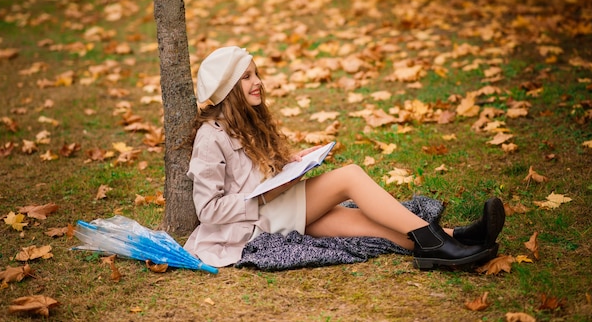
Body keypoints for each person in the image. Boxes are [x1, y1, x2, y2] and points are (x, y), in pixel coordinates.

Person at [183, 46, 505, 270]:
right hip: (255, 222)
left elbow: (254, 174)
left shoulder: (247, 121)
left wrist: (292, 163)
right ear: (228, 88)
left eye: (256, 74)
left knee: (367, 226)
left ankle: (458, 240)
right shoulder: (211, 137)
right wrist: (269, 194)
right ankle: (441, 243)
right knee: (349, 176)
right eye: (247, 77)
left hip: (277, 208)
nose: (258, 83)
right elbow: (208, 210)